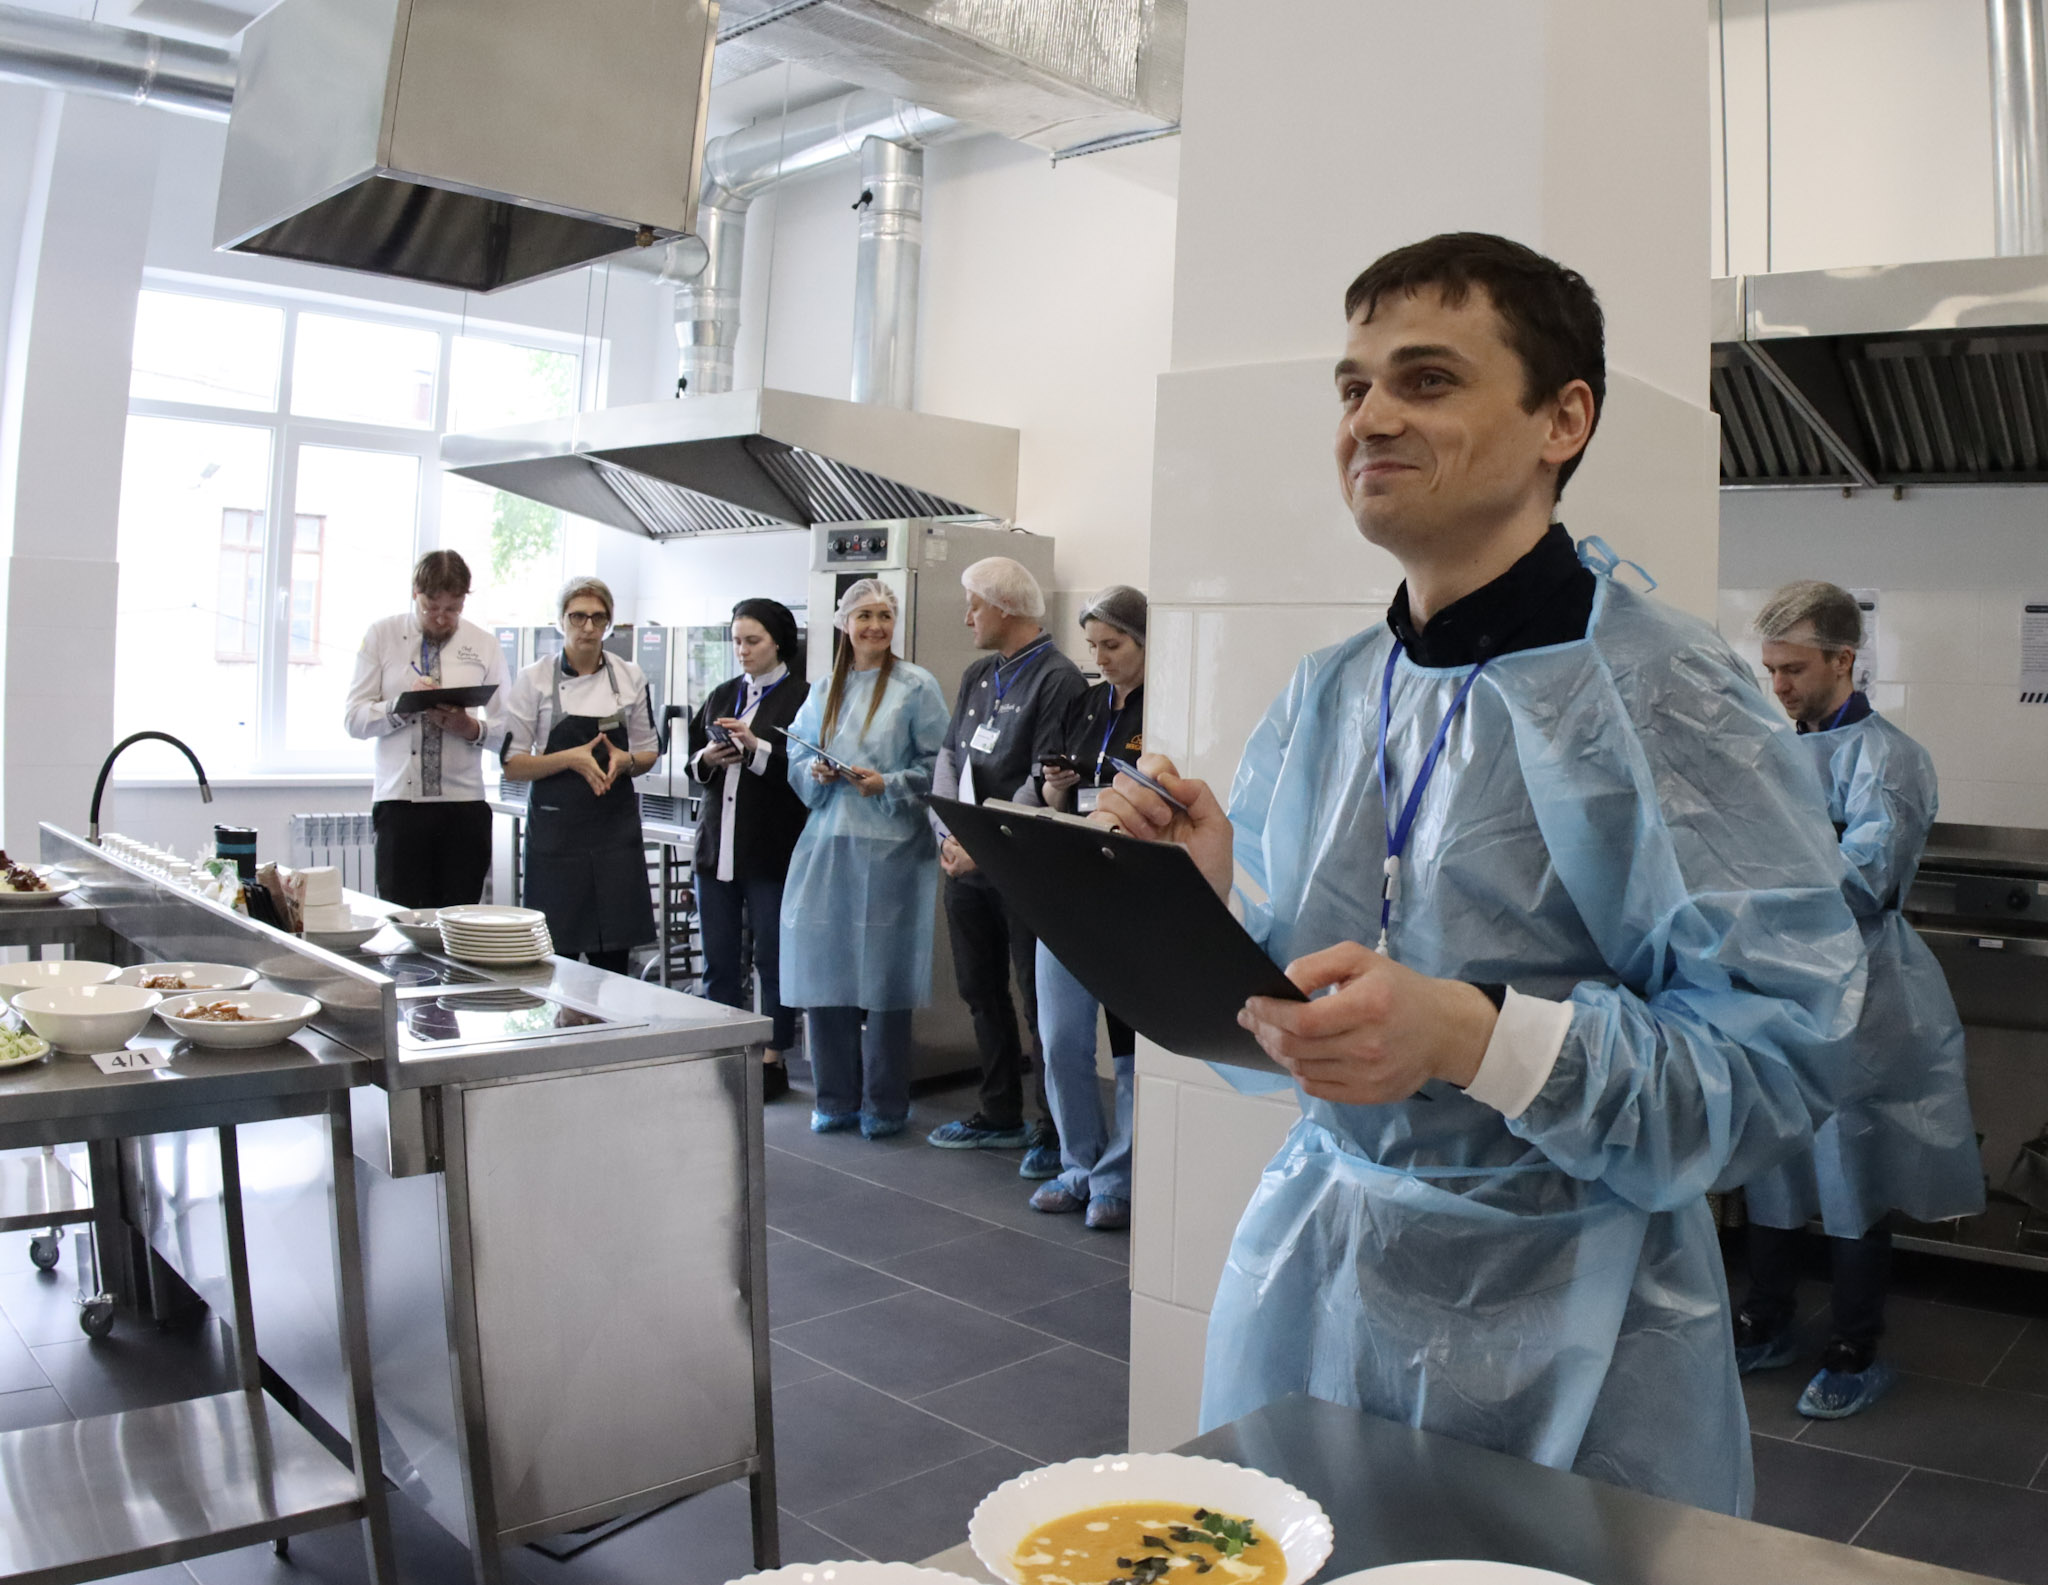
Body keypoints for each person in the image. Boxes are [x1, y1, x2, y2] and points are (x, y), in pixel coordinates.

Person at [1094, 232, 1865, 1516]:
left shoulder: (1668, 696)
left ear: (1563, 419)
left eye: (1427, 379)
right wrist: (1208, 900)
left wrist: (1471, 1037)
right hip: (1320, 1286)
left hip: (1579, 1332)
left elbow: (1774, 1062)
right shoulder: (1333, 692)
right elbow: (1303, 1014)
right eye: (1352, 388)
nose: (1370, 418)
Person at [1737, 580, 1984, 1419]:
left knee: (1849, 1159)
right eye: (1772, 669)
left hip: (1861, 990)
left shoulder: (1889, 760)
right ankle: (1766, 1316)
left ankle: (1854, 1344)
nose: (1780, 686)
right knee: (1772, 1151)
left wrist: (1767, 877)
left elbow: (1864, 881)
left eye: (1795, 669)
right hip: (1778, 988)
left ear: (1844, 659)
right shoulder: (1774, 753)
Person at [927, 556, 1090, 1174]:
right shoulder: (978, 673)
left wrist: (985, 845)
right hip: (965, 859)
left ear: (1003, 607)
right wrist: (949, 833)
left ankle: (1052, 1129)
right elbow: (949, 757)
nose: (967, 617)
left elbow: (1039, 778)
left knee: (1036, 1000)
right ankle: (999, 1113)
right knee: (979, 990)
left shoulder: (1058, 678)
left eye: (974, 605)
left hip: (1019, 865)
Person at [780, 579, 950, 1138]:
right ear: (845, 625)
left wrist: (889, 783)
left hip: (893, 848)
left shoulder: (916, 685)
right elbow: (796, 755)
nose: (876, 626)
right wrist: (815, 771)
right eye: (865, 616)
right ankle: (834, 1098)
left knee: (885, 978)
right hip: (828, 844)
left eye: (884, 615)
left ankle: (885, 1103)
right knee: (825, 972)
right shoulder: (824, 689)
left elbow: (940, 766)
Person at [1026, 584, 1149, 1231]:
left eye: (1114, 645)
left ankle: (1117, 1179)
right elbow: (1053, 796)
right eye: (1093, 645)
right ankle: (1078, 1163)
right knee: (1061, 1039)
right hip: (1069, 882)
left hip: (1130, 893)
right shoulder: (1086, 702)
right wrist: (1055, 785)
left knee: (1129, 1047)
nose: (1100, 658)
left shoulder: (1163, 708)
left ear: (1147, 642)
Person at [500, 576, 659, 974]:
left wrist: (626, 761)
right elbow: (513, 764)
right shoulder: (534, 679)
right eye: (578, 617)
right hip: (557, 836)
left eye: (598, 617)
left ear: (608, 622)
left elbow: (648, 751)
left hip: (614, 833)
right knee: (557, 961)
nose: (588, 627)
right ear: (561, 621)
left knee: (614, 961)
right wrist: (570, 759)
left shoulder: (630, 677)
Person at [688, 598, 810, 1100]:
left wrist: (756, 748)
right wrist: (708, 756)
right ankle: (723, 1053)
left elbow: (804, 772)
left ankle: (772, 1058)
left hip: (771, 848)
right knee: (719, 959)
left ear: (778, 642)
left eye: (753, 641)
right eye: (736, 640)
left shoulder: (802, 698)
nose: (742, 650)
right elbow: (692, 762)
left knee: (773, 959)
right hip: (717, 843)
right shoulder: (723, 692)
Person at [344, 549, 509, 909]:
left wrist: (470, 727)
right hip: (399, 805)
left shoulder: (484, 644)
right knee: (403, 917)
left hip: (464, 805)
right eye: (430, 607)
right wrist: (401, 707)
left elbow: (510, 732)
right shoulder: (382, 635)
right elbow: (353, 720)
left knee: (461, 919)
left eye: (453, 609)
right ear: (414, 593)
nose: (441, 617)